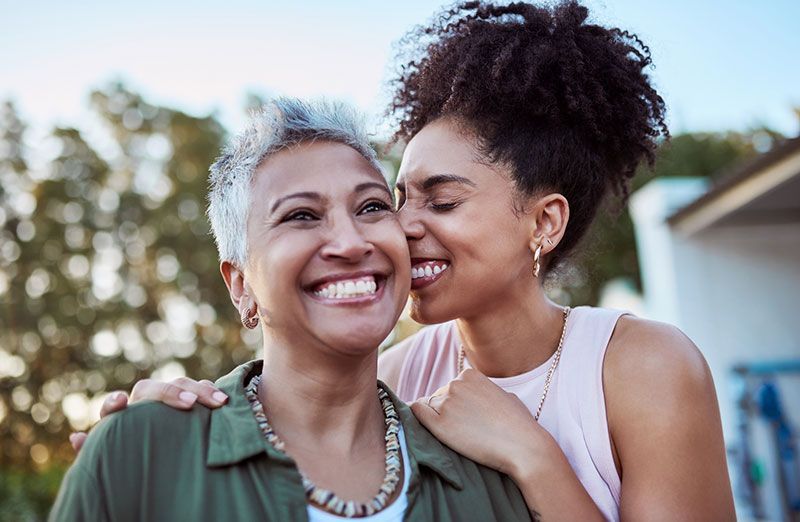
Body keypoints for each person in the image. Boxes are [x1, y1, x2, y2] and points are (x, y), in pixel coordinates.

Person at [72, 2, 736, 520]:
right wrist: (162, 421)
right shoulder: (399, 376)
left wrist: (535, 460)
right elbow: (287, 401)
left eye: (442, 202)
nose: (400, 228)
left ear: (544, 221)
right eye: (397, 199)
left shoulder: (643, 368)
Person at [51, 97, 531, 521]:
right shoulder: (141, 454)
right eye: (301, 216)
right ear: (241, 285)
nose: (350, 241)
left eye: (371, 207)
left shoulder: (483, 476)